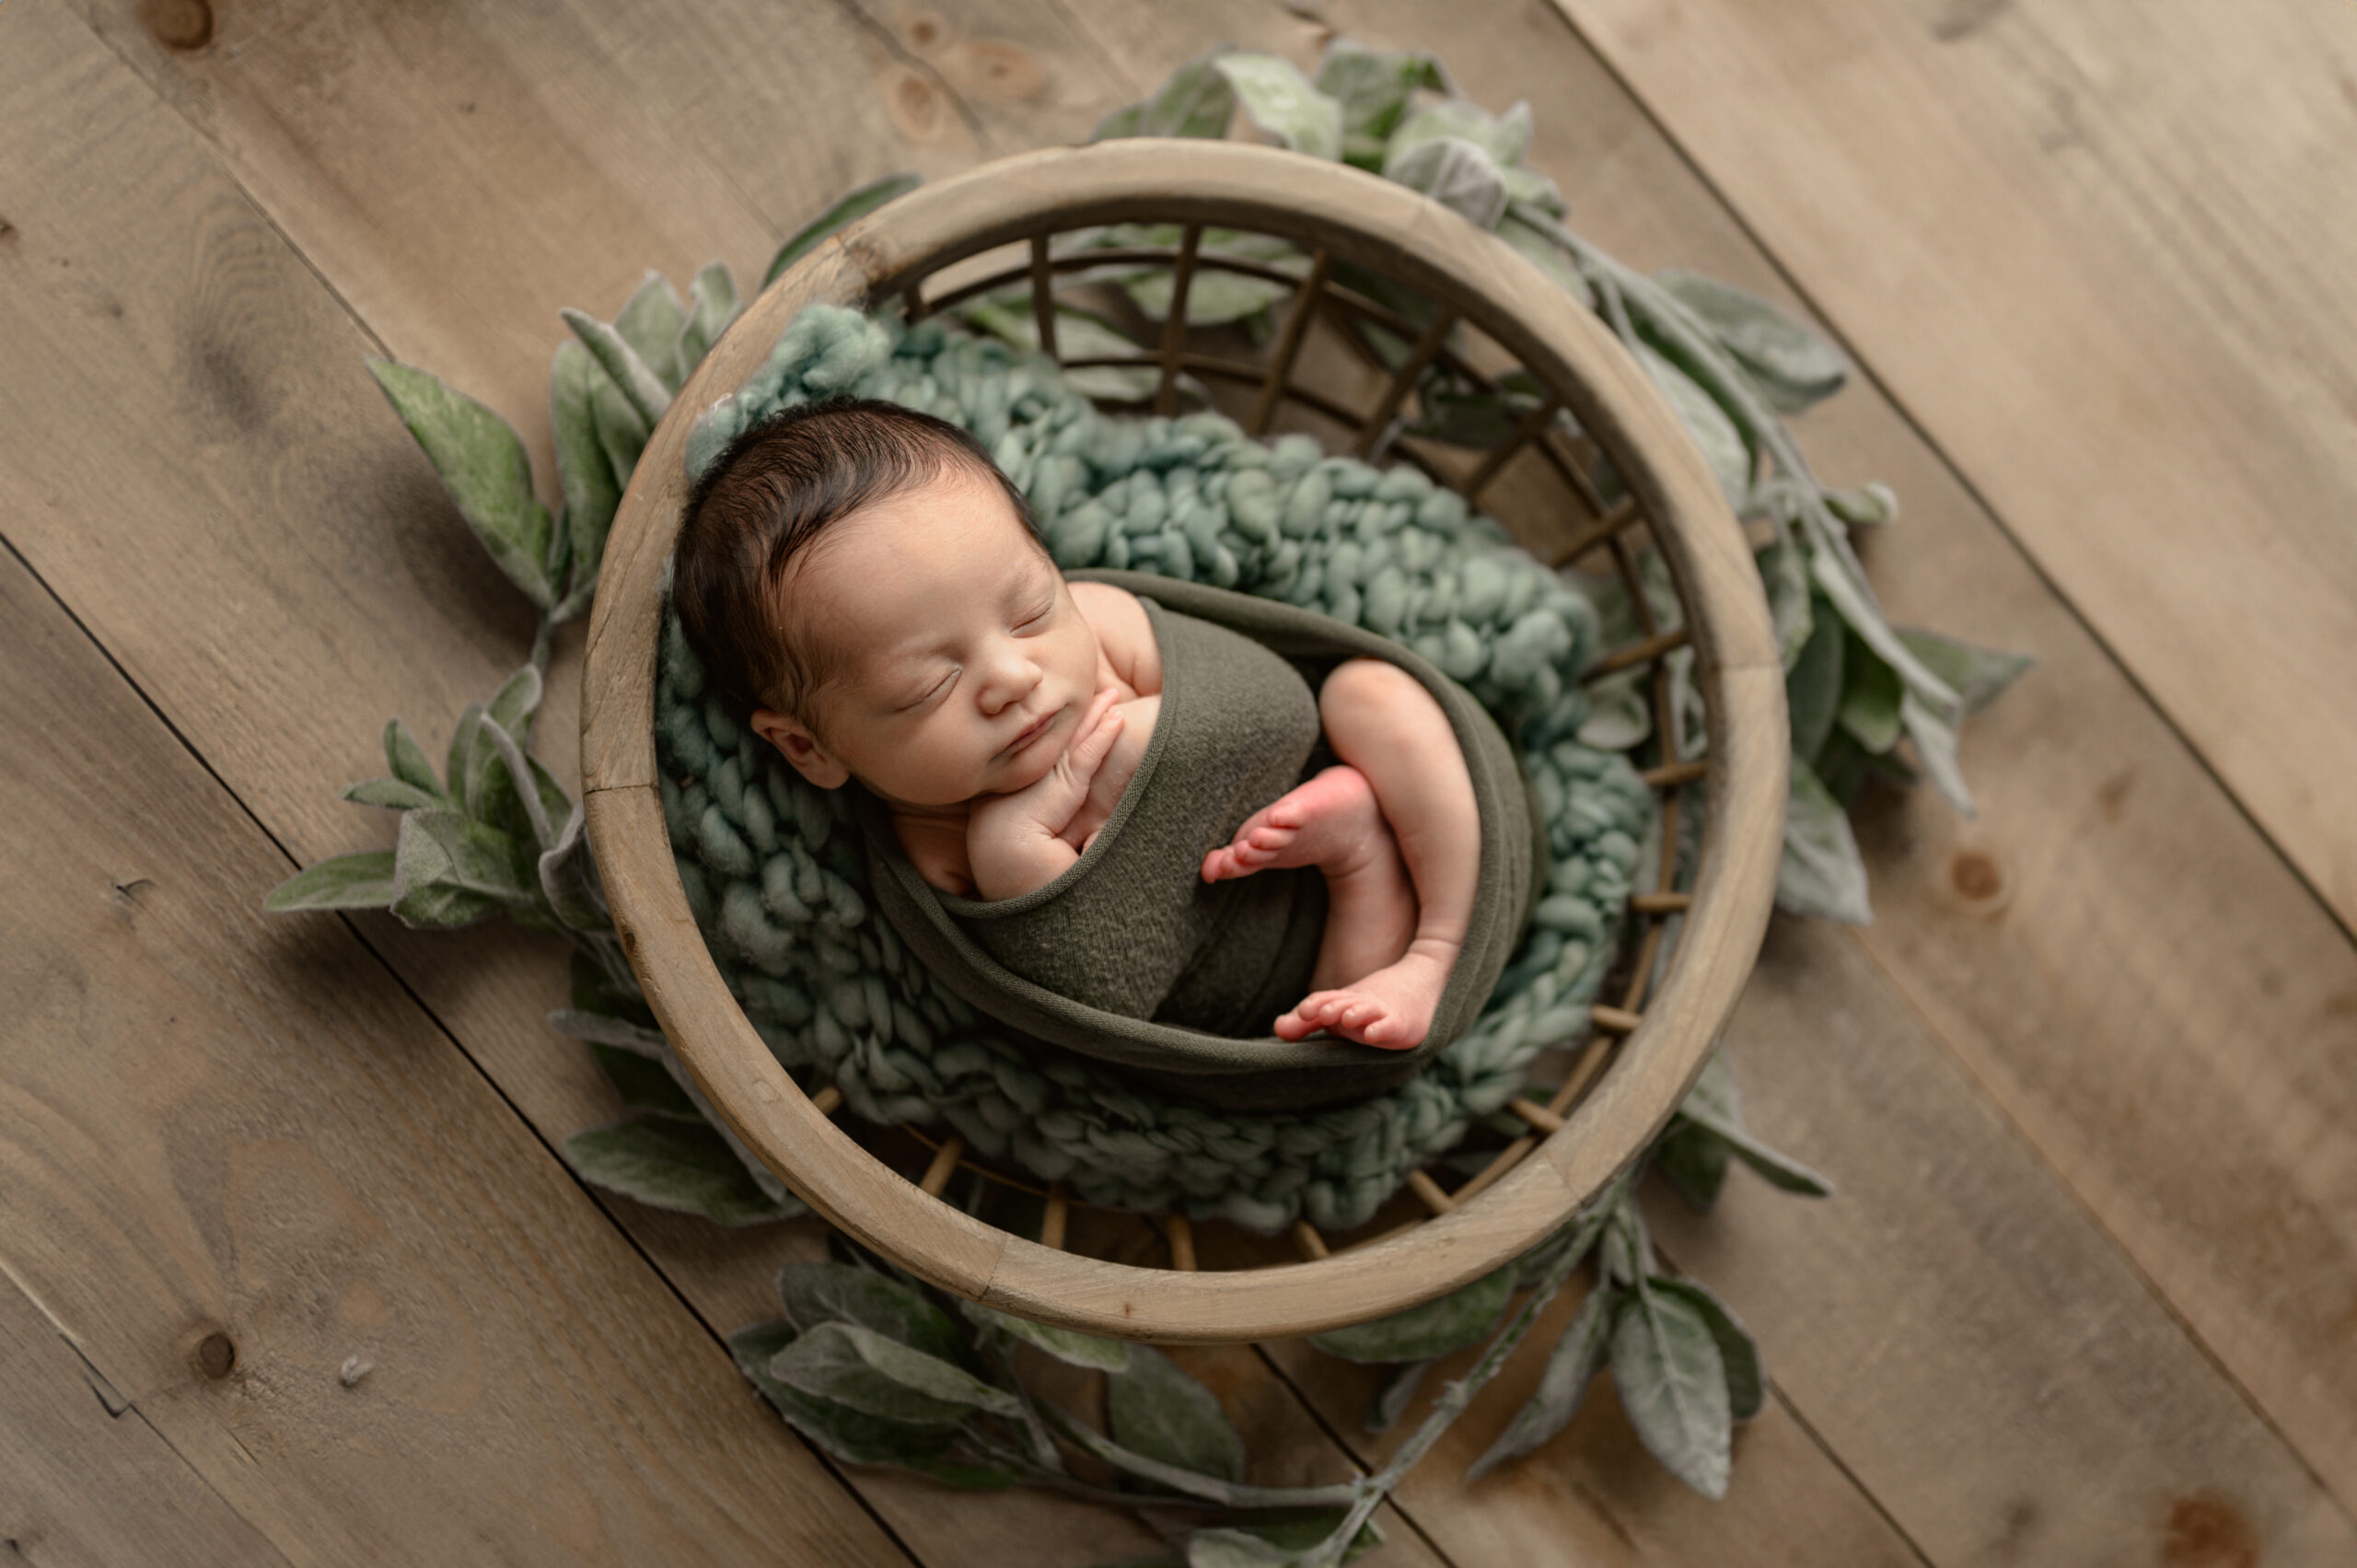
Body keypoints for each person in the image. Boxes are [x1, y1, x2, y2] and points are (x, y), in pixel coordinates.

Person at [673, 398, 1481, 1051]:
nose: (1011, 679)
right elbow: (1094, 987)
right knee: (1328, 1030)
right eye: (928, 685)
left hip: (1396, 819)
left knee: (1372, 695)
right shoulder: (933, 847)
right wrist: (1022, 839)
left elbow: (1276, 708)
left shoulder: (1101, 622)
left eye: (1028, 613)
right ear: (808, 747)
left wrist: (1146, 745)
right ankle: (1364, 860)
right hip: (1290, 981)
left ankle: (1440, 943)